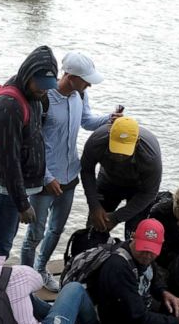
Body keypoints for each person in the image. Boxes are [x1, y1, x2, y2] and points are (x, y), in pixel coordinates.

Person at [20, 51, 115, 292]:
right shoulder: (44, 98)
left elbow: (87, 121)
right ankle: (25, 276)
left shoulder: (80, 94)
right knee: (35, 233)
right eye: (85, 79)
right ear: (70, 77)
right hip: (45, 179)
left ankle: (41, 270)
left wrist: (109, 119)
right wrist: (46, 177)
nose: (89, 84)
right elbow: (31, 143)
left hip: (70, 176)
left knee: (56, 229)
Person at [0, 45, 59, 258]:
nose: (44, 90)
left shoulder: (34, 96)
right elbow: (9, 160)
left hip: (19, 189)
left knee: (3, 245)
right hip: (6, 191)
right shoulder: (9, 106)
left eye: (48, 86)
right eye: (40, 85)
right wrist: (22, 204)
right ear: (27, 75)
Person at [80, 117, 163, 245]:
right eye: (116, 149)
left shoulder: (150, 157)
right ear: (109, 137)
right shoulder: (96, 141)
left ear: (137, 142)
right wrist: (94, 206)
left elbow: (149, 193)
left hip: (138, 190)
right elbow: (86, 170)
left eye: (124, 151)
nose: (119, 155)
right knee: (94, 226)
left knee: (134, 234)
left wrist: (116, 217)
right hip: (108, 181)